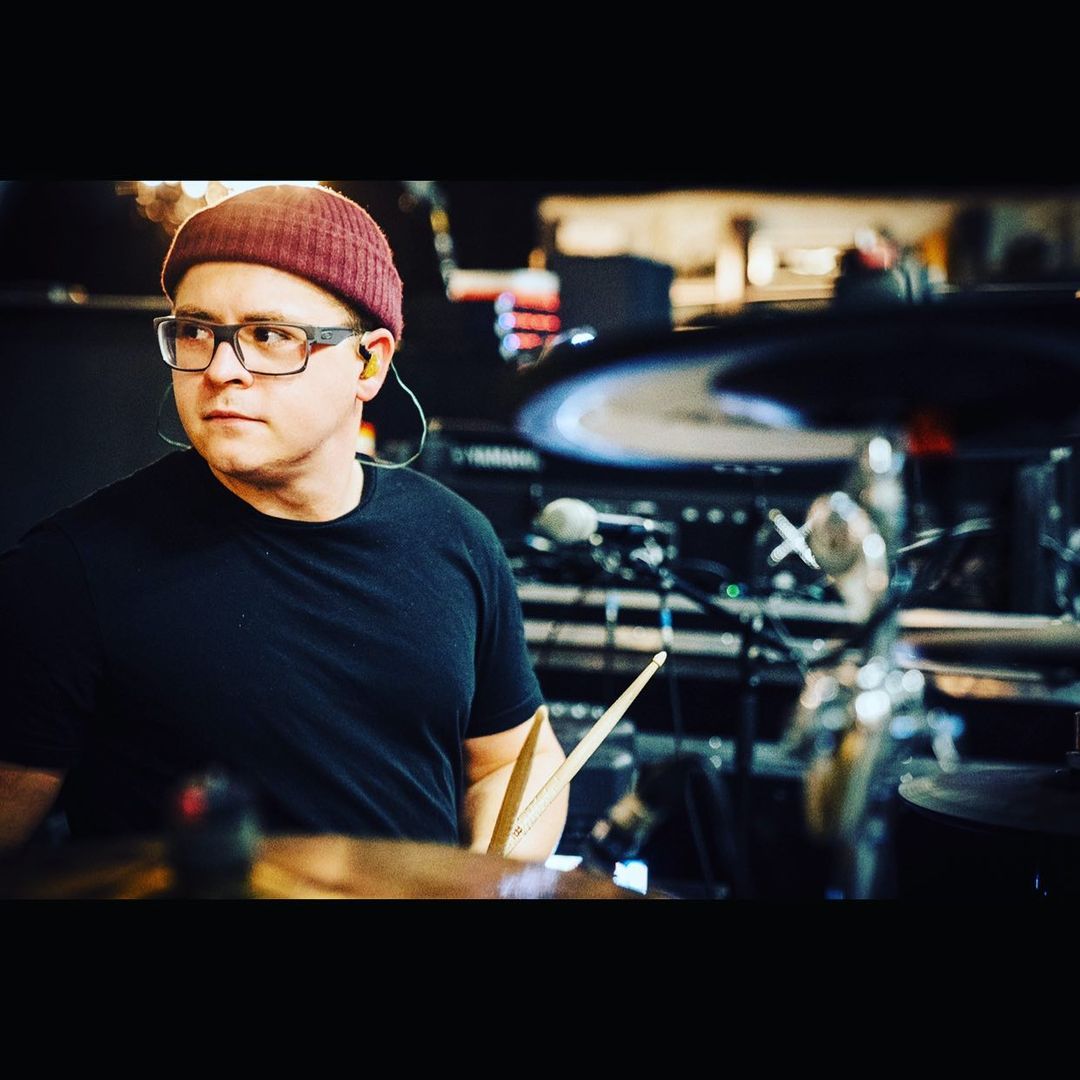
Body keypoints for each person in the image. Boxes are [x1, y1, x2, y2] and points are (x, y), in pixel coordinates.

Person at [0, 183, 567, 864]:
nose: (221, 369)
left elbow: (513, 762)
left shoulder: (456, 538)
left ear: (370, 361)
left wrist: (493, 877)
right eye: (195, 331)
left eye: (269, 336)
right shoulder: (67, 573)